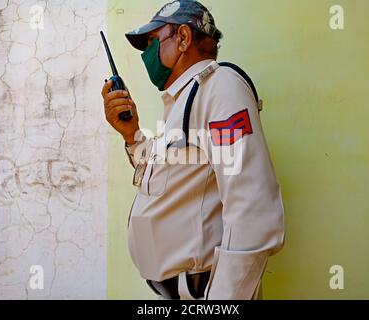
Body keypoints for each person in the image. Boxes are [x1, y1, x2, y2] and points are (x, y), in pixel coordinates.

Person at [101, 0, 285, 300]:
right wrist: (132, 135)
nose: (147, 53)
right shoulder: (184, 100)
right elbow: (169, 177)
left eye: (151, 41)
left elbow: (253, 208)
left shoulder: (220, 88)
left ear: (183, 38)